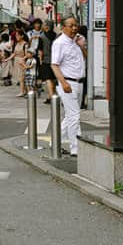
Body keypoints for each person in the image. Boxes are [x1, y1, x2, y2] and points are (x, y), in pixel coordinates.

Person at [51, 16, 87, 157]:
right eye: (71, 26)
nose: (74, 28)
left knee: (70, 116)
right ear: (63, 27)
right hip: (68, 82)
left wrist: (81, 46)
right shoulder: (59, 43)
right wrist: (63, 82)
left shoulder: (75, 42)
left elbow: (85, 57)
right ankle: (76, 148)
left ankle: (55, 141)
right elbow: (54, 64)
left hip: (79, 82)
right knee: (74, 115)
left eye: (75, 25)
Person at [37, 21, 57, 102]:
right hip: (56, 60)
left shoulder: (42, 37)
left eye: (44, 25)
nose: (43, 26)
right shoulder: (56, 36)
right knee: (53, 79)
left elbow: (40, 51)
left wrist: (40, 60)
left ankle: (51, 96)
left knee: (48, 79)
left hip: (46, 60)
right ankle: (51, 95)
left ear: (47, 27)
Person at [9, 28, 31, 98]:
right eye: (16, 35)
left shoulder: (25, 44)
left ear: (22, 36)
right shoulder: (17, 44)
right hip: (17, 61)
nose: (16, 37)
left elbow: (27, 54)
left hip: (22, 62)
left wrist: (23, 59)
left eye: (18, 35)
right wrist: (7, 59)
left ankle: (23, 92)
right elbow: (14, 53)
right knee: (20, 77)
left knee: (22, 77)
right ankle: (24, 91)